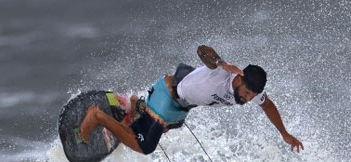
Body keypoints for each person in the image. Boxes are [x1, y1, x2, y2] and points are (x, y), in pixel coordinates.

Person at [80, 45, 303, 155]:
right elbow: (202, 50)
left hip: (182, 105)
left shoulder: (251, 90)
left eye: (252, 96)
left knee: (169, 125)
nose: (247, 99)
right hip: (169, 97)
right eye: (246, 93)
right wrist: (220, 62)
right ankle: (96, 116)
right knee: (145, 145)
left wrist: (284, 134)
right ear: (240, 78)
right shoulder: (221, 72)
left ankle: (133, 107)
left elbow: (268, 106)